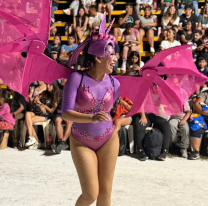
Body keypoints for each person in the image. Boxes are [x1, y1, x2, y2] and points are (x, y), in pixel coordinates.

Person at [62, 13, 120, 205]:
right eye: (111, 54)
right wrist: (92, 118)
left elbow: (114, 113)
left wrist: (119, 120)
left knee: (105, 193)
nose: (115, 58)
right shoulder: (76, 79)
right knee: (90, 193)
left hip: (108, 139)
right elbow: (66, 113)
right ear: (97, 56)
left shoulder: (115, 83)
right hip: (81, 140)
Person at [25, 81, 62, 149]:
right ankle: (32, 138)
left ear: (54, 87)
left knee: (26, 122)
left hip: (48, 115)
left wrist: (42, 105)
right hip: (38, 111)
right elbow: (36, 99)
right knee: (27, 114)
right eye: (48, 85)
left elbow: (51, 110)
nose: (48, 87)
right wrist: (37, 102)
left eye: (50, 86)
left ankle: (36, 141)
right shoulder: (45, 93)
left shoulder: (57, 97)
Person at [51, 79, 73, 154]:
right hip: (60, 112)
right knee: (57, 120)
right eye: (61, 79)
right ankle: (61, 142)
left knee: (69, 122)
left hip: (71, 112)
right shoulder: (58, 89)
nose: (62, 80)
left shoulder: (73, 89)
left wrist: (68, 115)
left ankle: (61, 142)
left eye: (64, 78)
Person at [190, 91, 208, 160]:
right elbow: (196, 105)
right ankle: (196, 152)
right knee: (196, 125)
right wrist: (205, 112)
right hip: (203, 117)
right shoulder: (205, 94)